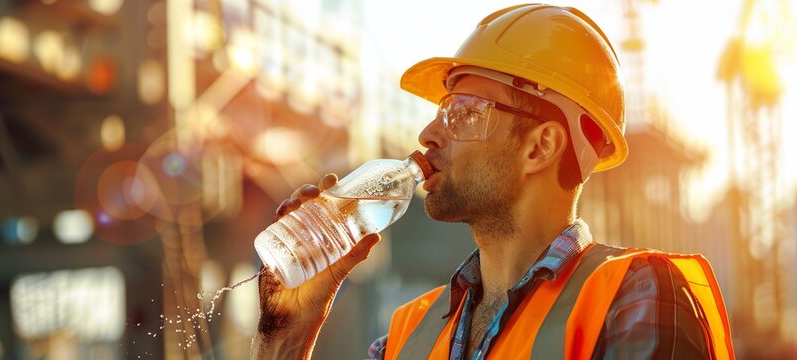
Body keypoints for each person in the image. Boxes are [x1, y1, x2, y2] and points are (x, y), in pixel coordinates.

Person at [251, 4, 734, 360]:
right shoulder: (405, 338)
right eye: (441, 111)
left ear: (539, 147)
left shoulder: (634, 296)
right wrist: (287, 333)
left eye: (462, 114)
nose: (428, 134)